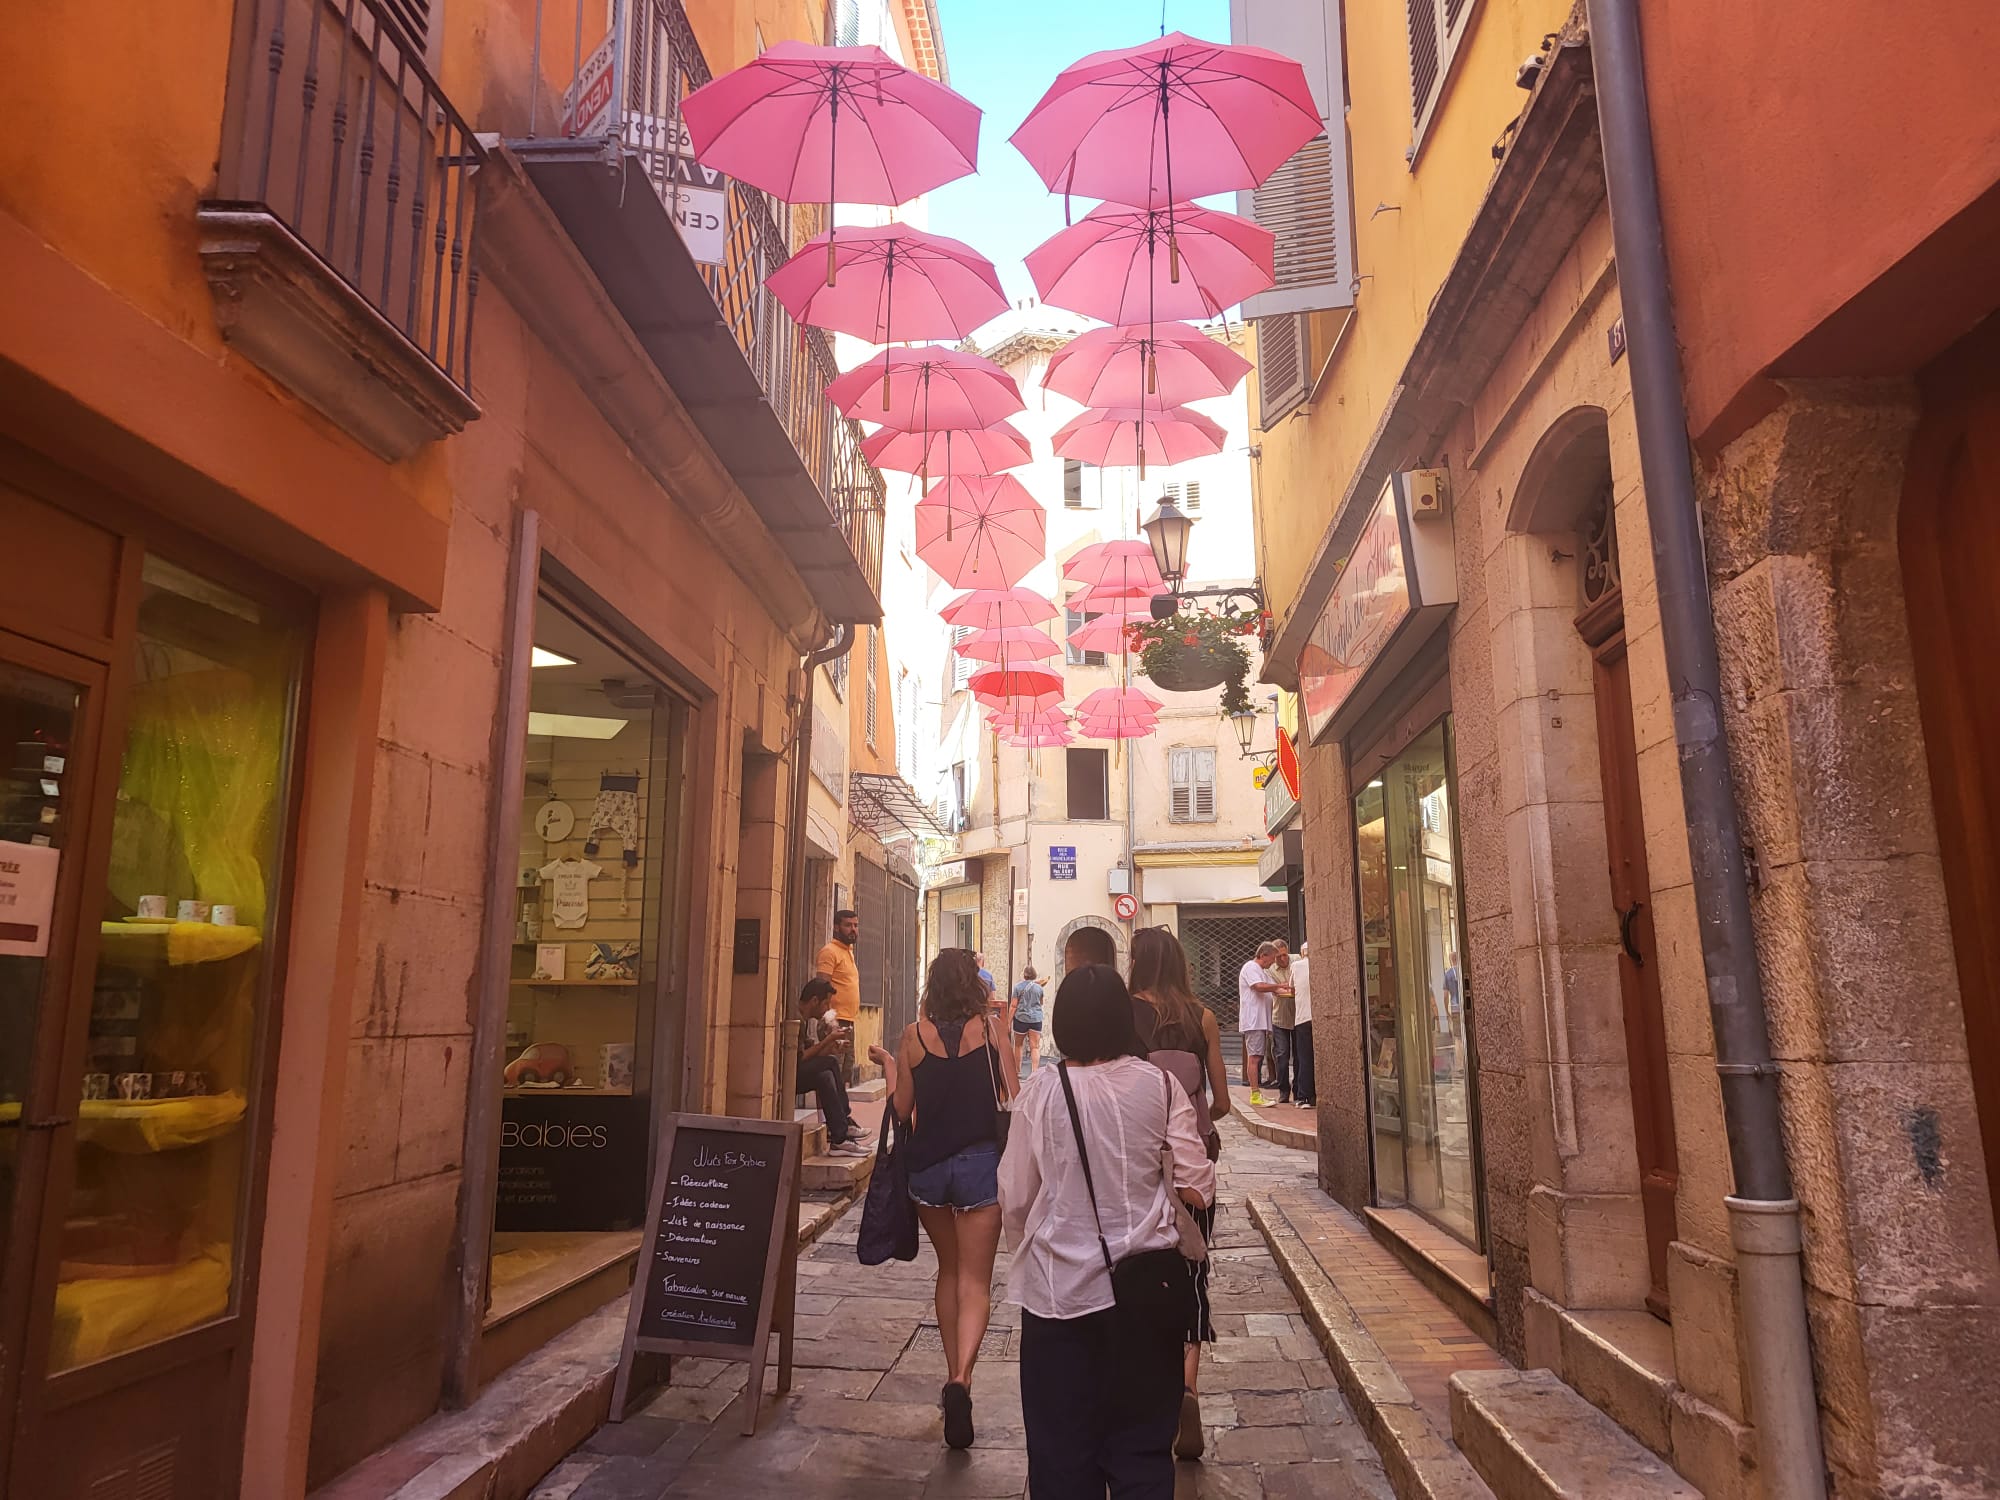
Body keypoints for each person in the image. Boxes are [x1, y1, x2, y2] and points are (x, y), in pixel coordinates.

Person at [999, 964, 1215, 1498]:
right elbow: (1198, 1185)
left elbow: (1015, 1197)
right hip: (1146, 1301)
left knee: (1060, 1460)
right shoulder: (1161, 1087)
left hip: (1057, 1303)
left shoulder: (1041, 1093)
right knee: (1142, 1455)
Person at [894, 948, 1014, 1450]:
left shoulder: (913, 1035)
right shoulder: (989, 1030)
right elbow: (1012, 1089)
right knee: (975, 1279)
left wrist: (892, 1069)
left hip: (927, 1169)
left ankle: (951, 1372)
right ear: (974, 984)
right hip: (980, 1165)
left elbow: (902, 1108)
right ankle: (962, 1377)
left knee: (947, 1271)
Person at [1127, 927, 1232, 1462]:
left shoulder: (1125, 1015)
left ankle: (1150, 1392)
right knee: (1192, 1272)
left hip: (1138, 1165)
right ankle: (1188, 1388)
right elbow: (1224, 1100)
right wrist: (1193, 1124)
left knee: (1142, 1271)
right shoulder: (1203, 1017)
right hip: (1194, 1174)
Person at [795, 978, 870, 1156]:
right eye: (826, 1003)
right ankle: (845, 1122)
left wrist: (831, 1047)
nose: (827, 1008)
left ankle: (839, 1137)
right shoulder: (797, 1019)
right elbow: (800, 1058)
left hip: (799, 1073)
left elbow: (810, 1054)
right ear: (814, 1001)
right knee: (830, 1063)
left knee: (825, 1077)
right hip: (789, 1076)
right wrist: (828, 1040)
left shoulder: (804, 1021)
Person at [816, 908, 862, 1080]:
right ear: (836, 927)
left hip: (847, 1021)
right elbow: (821, 988)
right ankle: (828, 1107)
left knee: (844, 1073)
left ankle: (839, 1107)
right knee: (832, 1071)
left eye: (856, 925)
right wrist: (830, 1022)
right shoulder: (829, 952)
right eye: (848, 925)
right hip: (835, 1021)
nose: (853, 930)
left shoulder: (848, 952)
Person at [1237, 942, 1280, 1107]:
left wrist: (1288, 989)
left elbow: (1274, 989)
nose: (1273, 962)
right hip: (1253, 1020)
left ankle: (1256, 1093)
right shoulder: (1250, 968)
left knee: (1257, 1056)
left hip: (1261, 1021)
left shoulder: (1263, 972)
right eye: (1272, 958)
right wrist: (1279, 986)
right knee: (1254, 1057)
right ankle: (1255, 1094)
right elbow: (1259, 987)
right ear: (1263, 955)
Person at [1269, 941, 1298, 1106]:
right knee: (1282, 1054)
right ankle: (1283, 1090)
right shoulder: (1270, 970)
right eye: (1278, 956)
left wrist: (1287, 987)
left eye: (1284, 954)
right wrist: (1286, 987)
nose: (1282, 959)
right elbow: (1278, 991)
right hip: (1280, 1018)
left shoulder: (1297, 960)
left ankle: (1298, 1089)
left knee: (1299, 1055)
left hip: (1297, 1016)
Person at [1291, 941, 1316, 1108]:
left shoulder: (1296, 965)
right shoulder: (1318, 965)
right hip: (1317, 1016)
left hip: (1302, 1017)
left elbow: (1291, 988)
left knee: (1304, 1057)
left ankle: (1304, 1096)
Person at [1010, 964, 1047, 1074]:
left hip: (1021, 1019)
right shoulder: (1039, 988)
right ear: (1034, 975)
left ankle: (1017, 1070)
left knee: (1018, 1045)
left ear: (1024, 975)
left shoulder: (1017, 987)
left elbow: (1013, 1006)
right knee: (1035, 1047)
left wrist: (1008, 1022)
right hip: (1036, 1019)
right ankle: (1035, 1072)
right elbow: (1041, 1003)